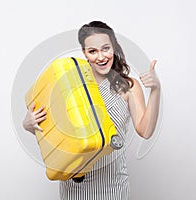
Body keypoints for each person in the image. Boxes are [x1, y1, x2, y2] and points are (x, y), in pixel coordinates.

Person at [23, 21, 161, 200]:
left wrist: (156, 90)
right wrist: (28, 124)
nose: (101, 56)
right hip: (74, 185)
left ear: (114, 48)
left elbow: (145, 130)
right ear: (84, 53)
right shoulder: (70, 85)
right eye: (93, 51)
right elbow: (58, 135)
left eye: (106, 48)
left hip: (112, 185)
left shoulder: (128, 86)